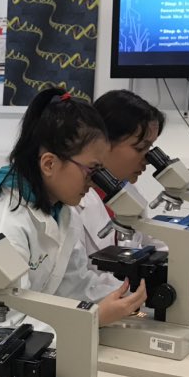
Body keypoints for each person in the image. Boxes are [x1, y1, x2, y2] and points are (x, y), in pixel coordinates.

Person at [0, 89, 148, 377]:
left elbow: (76, 285)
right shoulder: (10, 224)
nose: (94, 181)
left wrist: (126, 296)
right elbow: (8, 319)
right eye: (91, 170)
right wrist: (94, 317)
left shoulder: (63, 213)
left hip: (15, 344)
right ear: (49, 164)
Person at [76, 89, 166, 256]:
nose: (147, 159)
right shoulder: (73, 202)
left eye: (150, 148)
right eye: (140, 148)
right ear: (102, 141)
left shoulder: (127, 192)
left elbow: (153, 245)